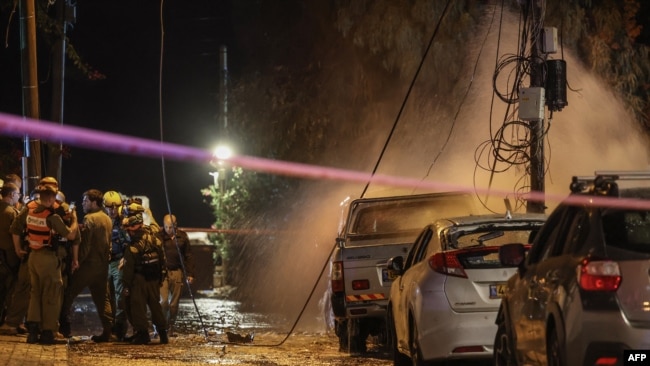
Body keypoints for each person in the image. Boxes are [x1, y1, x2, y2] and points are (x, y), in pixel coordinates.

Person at [10, 184, 78, 344]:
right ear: (52, 198)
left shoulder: (30, 210)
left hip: (33, 257)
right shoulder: (52, 216)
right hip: (47, 258)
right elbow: (70, 234)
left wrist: (19, 249)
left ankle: (33, 330)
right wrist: (74, 219)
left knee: (35, 293)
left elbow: (16, 229)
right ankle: (48, 331)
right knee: (52, 294)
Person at [59, 189, 114, 342]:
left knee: (69, 293)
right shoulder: (107, 218)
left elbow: (86, 246)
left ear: (94, 202)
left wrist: (76, 262)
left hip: (88, 265)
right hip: (102, 266)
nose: (83, 203)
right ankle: (108, 329)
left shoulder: (90, 219)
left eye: (85, 201)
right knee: (102, 298)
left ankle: (63, 326)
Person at [121, 207, 168, 344]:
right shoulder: (154, 238)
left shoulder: (133, 247)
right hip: (154, 279)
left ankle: (142, 335)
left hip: (139, 279)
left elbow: (128, 269)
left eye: (129, 229)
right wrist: (161, 277)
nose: (128, 232)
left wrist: (126, 286)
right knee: (155, 306)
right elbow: (162, 260)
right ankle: (163, 334)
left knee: (137, 307)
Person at [157, 214, 194, 337]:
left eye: (171, 227)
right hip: (163, 272)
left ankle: (171, 326)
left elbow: (188, 256)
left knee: (174, 303)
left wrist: (190, 273)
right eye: (166, 227)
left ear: (175, 225)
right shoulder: (160, 237)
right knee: (163, 302)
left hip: (177, 271)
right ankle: (161, 326)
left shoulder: (182, 237)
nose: (168, 230)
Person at [103, 190, 130, 340]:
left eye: (115, 207)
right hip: (105, 263)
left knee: (120, 296)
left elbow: (130, 243)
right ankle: (108, 327)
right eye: (109, 207)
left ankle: (119, 329)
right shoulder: (101, 220)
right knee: (106, 296)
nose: (113, 210)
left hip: (119, 261)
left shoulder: (124, 221)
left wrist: (125, 258)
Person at [0, 183, 21, 331]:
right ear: (11, 195)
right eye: (18, 194)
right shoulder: (11, 213)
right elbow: (16, 234)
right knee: (11, 290)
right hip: (8, 257)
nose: (19, 197)